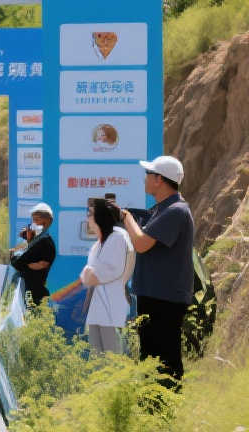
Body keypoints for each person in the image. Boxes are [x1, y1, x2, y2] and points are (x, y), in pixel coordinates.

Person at [122, 155, 197, 388]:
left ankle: (167, 405)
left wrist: (126, 217)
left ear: (159, 180)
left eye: (148, 174)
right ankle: (152, 405)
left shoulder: (176, 211)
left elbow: (141, 243)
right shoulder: (161, 210)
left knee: (166, 359)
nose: (144, 179)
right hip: (155, 295)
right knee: (150, 358)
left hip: (165, 298)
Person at [80, 197, 133, 356]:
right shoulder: (98, 244)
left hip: (111, 307)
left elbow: (97, 275)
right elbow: (88, 278)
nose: (87, 218)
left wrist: (90, 275)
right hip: (98, 307)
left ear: (100, 216)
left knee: (112, 356)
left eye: (90, 214)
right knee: (97, 357)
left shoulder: (117, 237)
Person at [9, 203, 57, 310]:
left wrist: (18, 258)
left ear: (46, 222)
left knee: (33, 315)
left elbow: (18, 263)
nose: (33, 223)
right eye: (33, 220)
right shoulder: (35, 240)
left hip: (34, 294)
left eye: (37, 220)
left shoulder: (45, 243)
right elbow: (18, 259)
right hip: (26, 291)